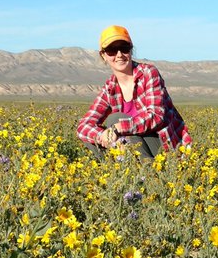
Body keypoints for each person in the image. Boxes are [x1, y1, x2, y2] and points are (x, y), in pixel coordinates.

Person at [77, 25, 191, 158]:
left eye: (124, 48)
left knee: (114, 120)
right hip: (132, 146)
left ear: (131, 50)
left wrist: (118, 128)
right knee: (93, 137)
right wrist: (102, 135)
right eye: (112, 50)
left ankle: (148, 173)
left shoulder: (148, 73)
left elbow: (156, 116)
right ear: (103, 55)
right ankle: (126, 172)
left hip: (164, 148)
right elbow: (83, 126)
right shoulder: (110, 88)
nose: (119, 55)